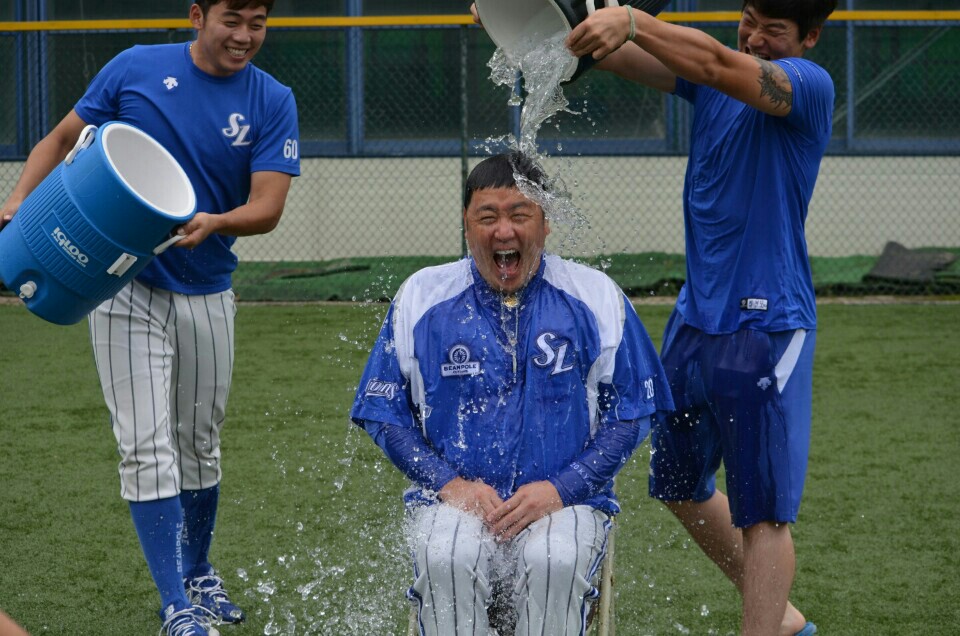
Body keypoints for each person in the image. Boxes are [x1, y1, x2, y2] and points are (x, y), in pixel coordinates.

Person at [0, 1, 299, 634]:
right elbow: (59, 140)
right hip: (123, 288)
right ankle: (175, 604)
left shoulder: (273, 99)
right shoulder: (135, 68)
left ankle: (198, 571)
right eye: (232, 19)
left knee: (199, 446)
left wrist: (217, 222)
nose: (245, 36)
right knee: (145, 448)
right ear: (198, 15)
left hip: (210, 290)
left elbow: (268, 205)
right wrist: (20, 196)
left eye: (258, 22)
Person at [560, 1, 838, 635]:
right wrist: (539, 24)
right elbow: (608, 53)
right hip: (694, 320)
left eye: (776, 29)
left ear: (810, 38)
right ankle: (781, 617)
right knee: (680, 482)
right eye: (750, 19)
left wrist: (631, 18)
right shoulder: (711, 80)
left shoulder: (806, 87)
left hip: (768, 327)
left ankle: (763, 626)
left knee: (763, 513)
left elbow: (709, 59)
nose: (757, 37)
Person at [350, 152, 672, 636]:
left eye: (520, 215)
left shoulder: (596, 295)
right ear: (466, 225)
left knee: (554, 559)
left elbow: (633, 412)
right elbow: (382, 412)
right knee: (445, 554)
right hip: (452, 502)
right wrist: (450, 484)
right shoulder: (422, 296)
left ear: (544, 226)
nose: (504, 231)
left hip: (566, 503)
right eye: (488, 216)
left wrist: (562, 488)